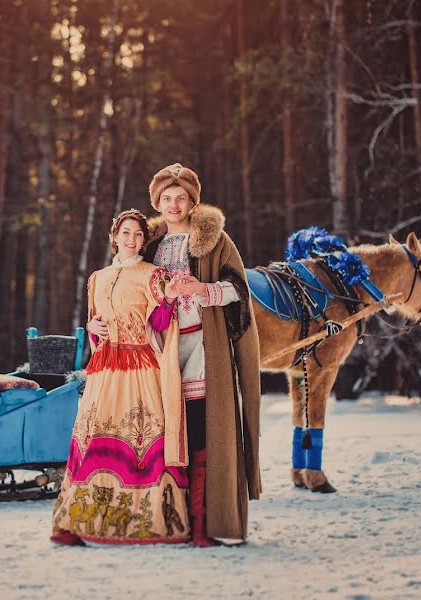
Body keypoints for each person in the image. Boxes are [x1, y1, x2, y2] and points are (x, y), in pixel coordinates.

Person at [50, 208, 189, 545]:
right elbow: (97, 324)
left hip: (139, 369)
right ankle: (82, 522)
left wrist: (170, 298)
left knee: (139, 440)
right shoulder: (97, 278)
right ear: (114, 237)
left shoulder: (153, 275)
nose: (132, 240)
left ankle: (145, 522)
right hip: (104, 370)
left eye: (138, 235)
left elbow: (159, 325)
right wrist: (91, 327)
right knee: (91, 439)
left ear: (144, 240)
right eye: (126, 233)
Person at [143, 163, 261, 546]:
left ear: (192, 201)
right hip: (161, 351)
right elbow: (129, 292)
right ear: (157, 202)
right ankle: (168, 523)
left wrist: (201, 289)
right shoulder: (148, 245)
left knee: (202, 436)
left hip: (203, 351)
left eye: (181, 198)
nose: (174, 204)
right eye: (166, 198)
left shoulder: (214, 240)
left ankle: (202, 524)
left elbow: (239, 291)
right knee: (167, 438)